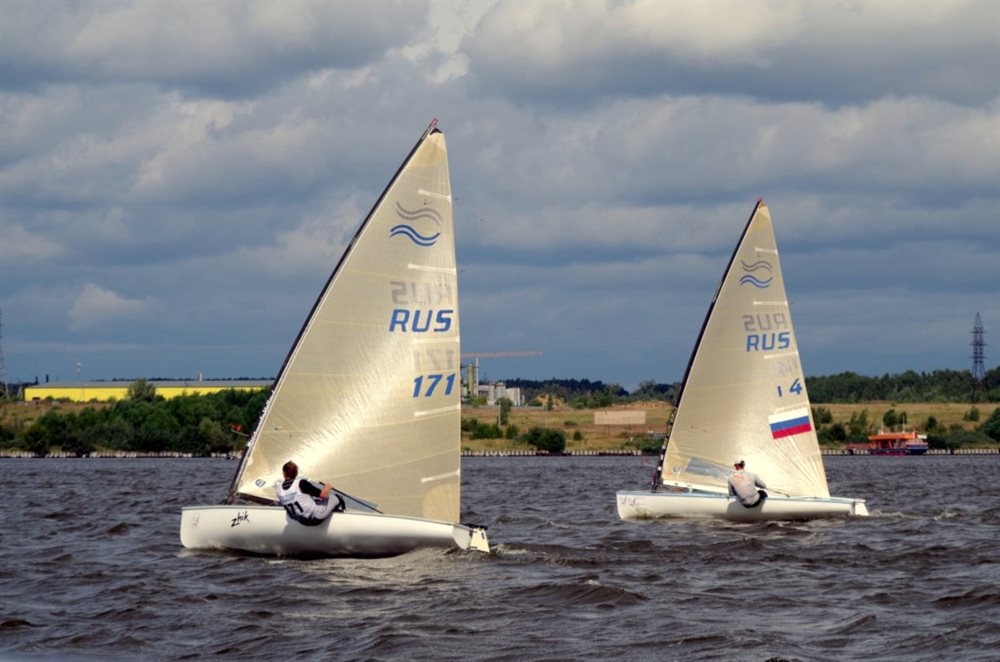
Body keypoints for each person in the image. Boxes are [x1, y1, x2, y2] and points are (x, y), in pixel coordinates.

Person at [275, 460, 344, 526]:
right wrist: (328, 487)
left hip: (301, 520)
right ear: (296, 472)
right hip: (315, 518)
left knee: (315, 500)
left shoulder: (279, 489)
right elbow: (324, 495)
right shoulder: (301, 483)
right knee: (337, 497)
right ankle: (340, 516)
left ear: (284, 473)